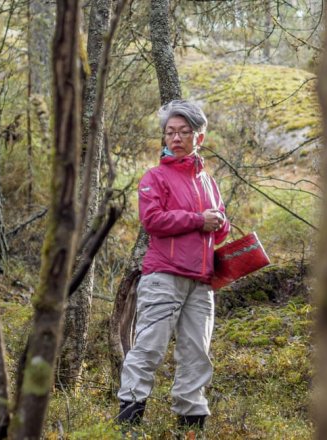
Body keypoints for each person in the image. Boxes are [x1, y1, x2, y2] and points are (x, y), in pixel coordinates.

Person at [116, 100, 230, 431]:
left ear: (199, 137)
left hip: (201, 281)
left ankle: (191, 430)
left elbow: (221, 230)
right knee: (148, 349)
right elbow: (152, 220)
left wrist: (219, 221)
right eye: (170, 132)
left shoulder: (209, 182)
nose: (176, 138)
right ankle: (128, 430)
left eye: (184, 132)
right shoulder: (155, 177)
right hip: (163, 276)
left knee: (197, 356)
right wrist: (198, 219)